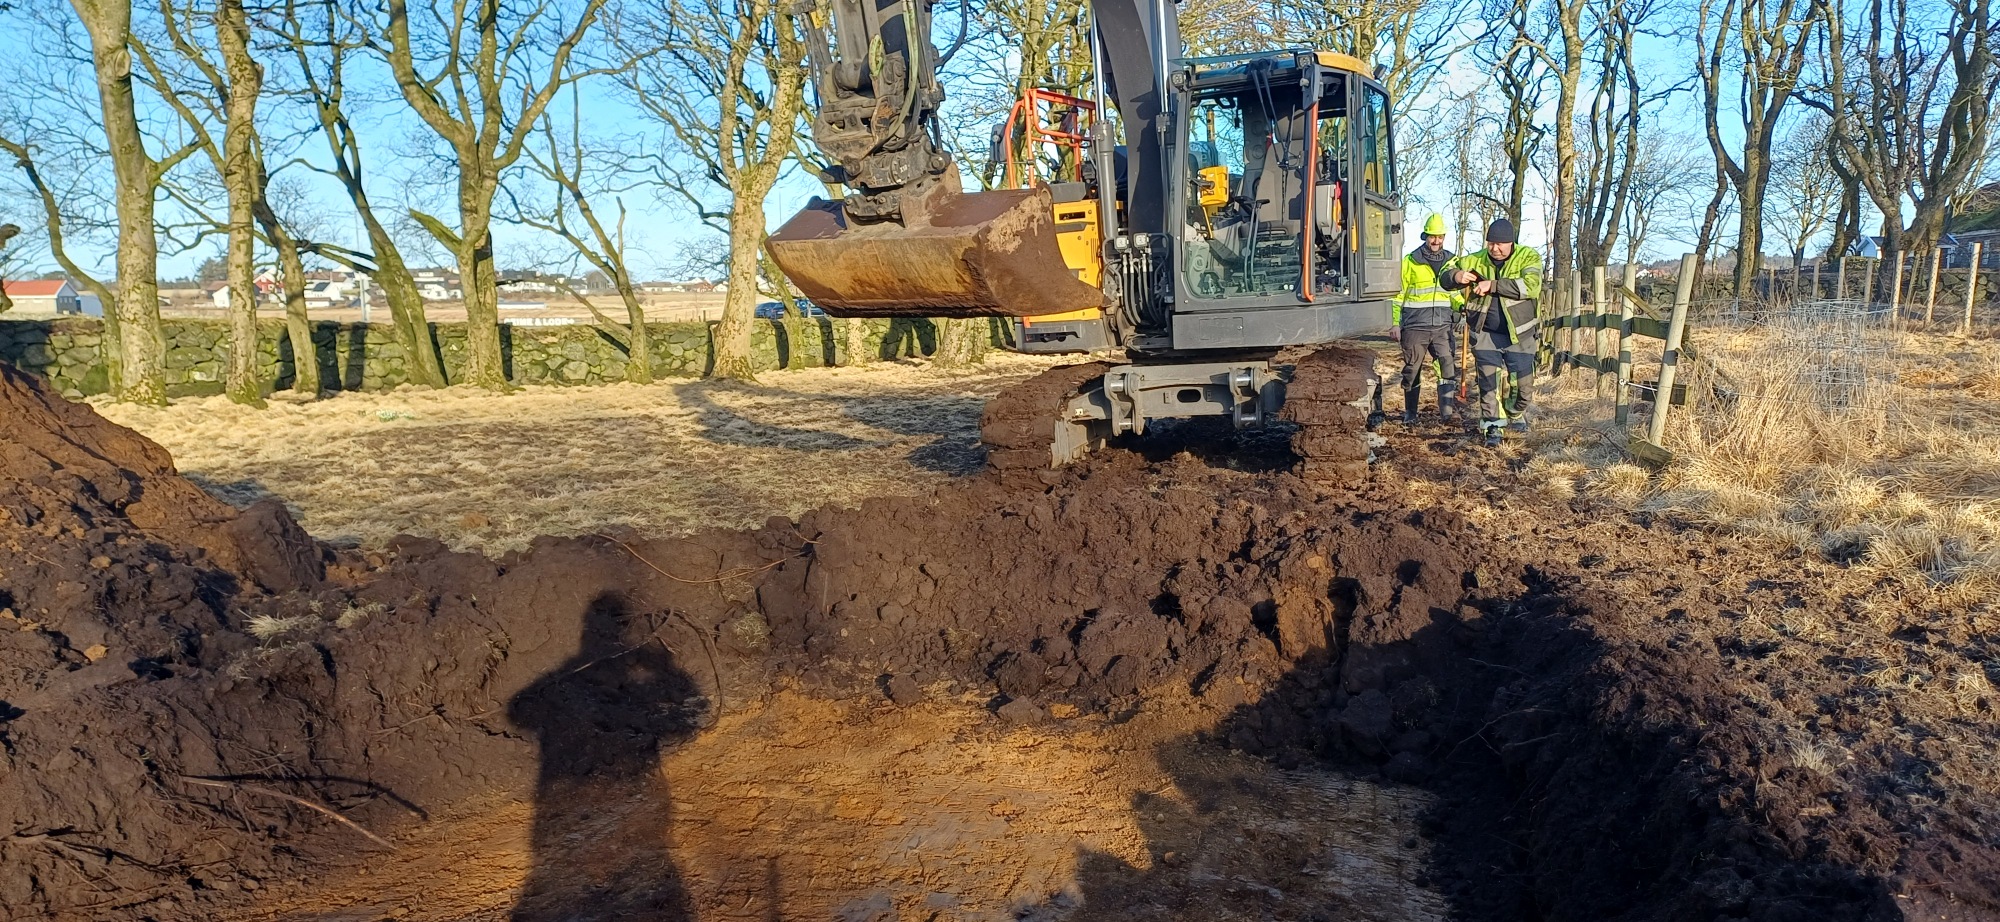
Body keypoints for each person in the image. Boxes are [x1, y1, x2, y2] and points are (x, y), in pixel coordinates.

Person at [1440, 217, 1544, 447]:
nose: (1494, 249)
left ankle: (1514, 412)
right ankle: (1493, 426)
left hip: (1520, 334)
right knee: (1489, 383)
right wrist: (1456, 276)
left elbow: (1532, 286)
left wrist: (1493, 285)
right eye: (1490, 243)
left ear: (1511, 243)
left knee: (1523, 388)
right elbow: (1446, 272)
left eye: (1500, 244)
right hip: (1485, 333)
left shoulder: (1528, 257)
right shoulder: (1474, 260)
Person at [1390, 214, 1464, 425]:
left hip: (1442, 326)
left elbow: (1453, 293)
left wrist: (1462, 307)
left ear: (1444, 237)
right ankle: (1410, 413)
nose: (1436, 241)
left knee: (1446, 366)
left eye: (1440, 236)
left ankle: (1447, 415)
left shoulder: (1452, 262)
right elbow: (1398, 295)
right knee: (1412, 369)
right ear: (1425, 236)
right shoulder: (1410, 261)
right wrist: (1395, 323)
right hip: (1415, 326)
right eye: (1432, 236)